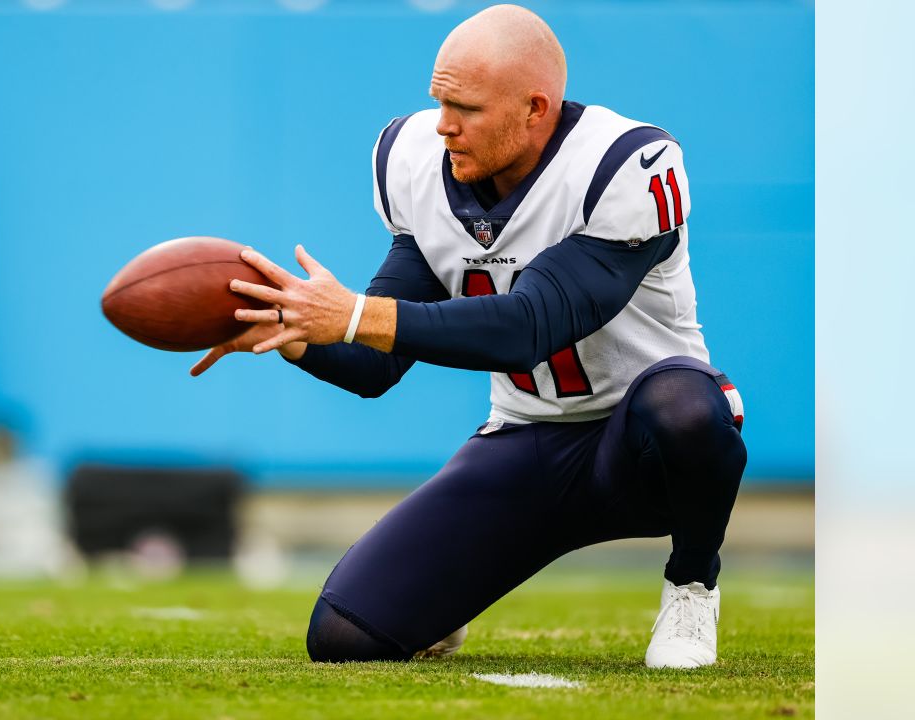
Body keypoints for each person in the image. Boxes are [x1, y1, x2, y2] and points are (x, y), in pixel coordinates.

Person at [190, 4, 746, 670]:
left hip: (640, 446)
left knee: (688, 408)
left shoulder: (624, 164)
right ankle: (448, 602)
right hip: (528, 440)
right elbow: (375, 367)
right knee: (345, 639)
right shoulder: (417, 163)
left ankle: (692, 581)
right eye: (439, 101)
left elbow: (528, 328)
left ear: (535, 109)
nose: (444, 125)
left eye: (467, 108)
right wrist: (294, 332)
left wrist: (354, 314)